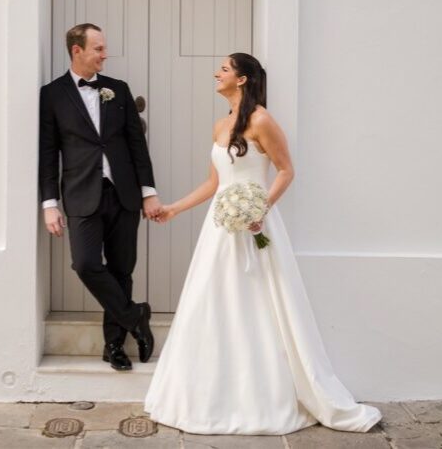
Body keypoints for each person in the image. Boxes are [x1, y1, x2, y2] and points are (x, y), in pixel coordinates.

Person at [143, 52, 382, 435]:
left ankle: (267, 395)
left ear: (242, 79)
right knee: (211, 300)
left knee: (259, 304)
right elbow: (213, 184)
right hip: (219, 230)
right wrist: (174, 209)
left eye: (224, 68)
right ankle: (206, 396)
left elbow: (287, 170)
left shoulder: (262, 120)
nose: (216, 73)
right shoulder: (220, 125)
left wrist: (260, 207)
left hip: (255, 227)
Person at [39, 23, 162, 371]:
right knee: (87, 264)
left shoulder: (118, 90)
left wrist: (148, 192)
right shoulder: (51, 95)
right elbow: (48, 152)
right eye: (98, 49)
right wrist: (50, 204)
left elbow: (137, 146)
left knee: (122, 270)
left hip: (124, 195)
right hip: (80, 196)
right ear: (77, 51)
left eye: (104, 48)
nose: (104, 55)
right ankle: (134, 316)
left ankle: (114, 346)